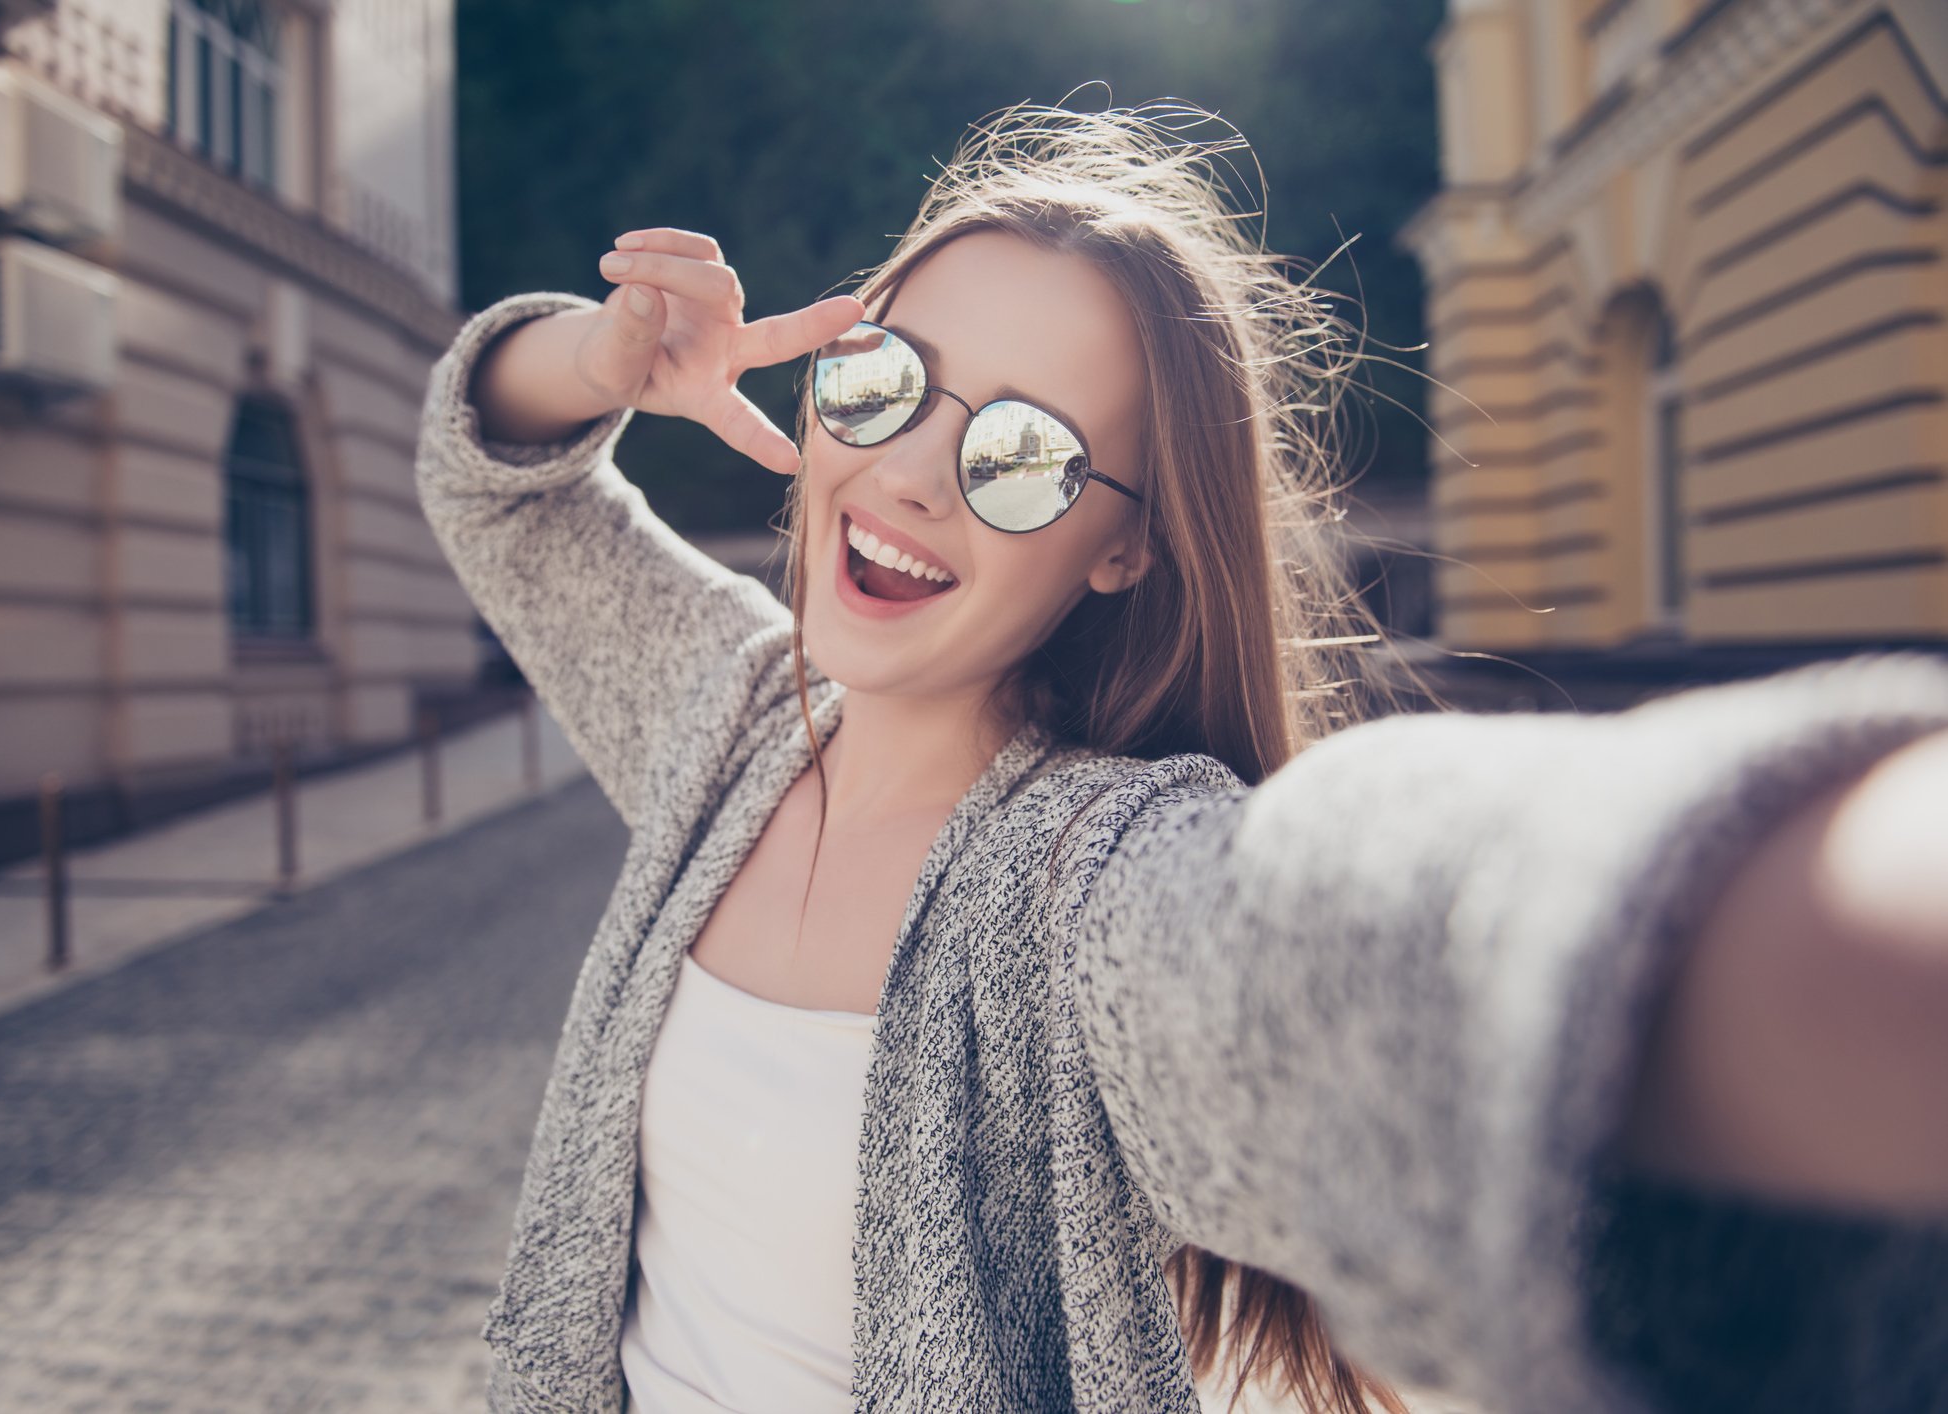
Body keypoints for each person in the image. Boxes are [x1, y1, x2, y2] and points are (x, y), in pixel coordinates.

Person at [415, 103, 1948, 1414]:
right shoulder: (723, 714)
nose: (909, 475)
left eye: (1024, 457)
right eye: (883, 380)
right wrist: (597, 359)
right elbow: (498, 486)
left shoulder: (1098, 885)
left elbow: (1408, 941)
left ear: (1124, 547)